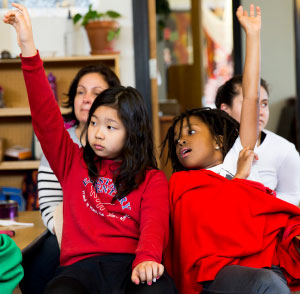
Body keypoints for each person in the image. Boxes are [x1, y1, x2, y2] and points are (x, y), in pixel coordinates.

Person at [4, 3, 176, 294]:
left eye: (110, 127)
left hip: (131, 265)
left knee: (158, 289)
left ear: (131, 133)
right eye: (95, 122)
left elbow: (154, 226)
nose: (97, 133)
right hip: (79, 268)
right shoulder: (71, 159)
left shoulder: (152, 179)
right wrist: (27, 46)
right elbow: (46, 116)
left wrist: (147, 259)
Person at [162, 5, 300, 294]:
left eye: (190, 132)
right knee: (267, 285)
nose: (181, 141)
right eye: (175, 139)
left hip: (263, 253)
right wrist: (238, 179)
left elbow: (249, 97)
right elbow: (206, 230)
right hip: (216, 270)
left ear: (218, 141)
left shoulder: (236, 152)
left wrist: (253, 35)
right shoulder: (181, 183)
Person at [20, 62, 121, 294]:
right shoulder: (59, 142)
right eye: (81, 91)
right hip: (66, 232)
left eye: (96, 93)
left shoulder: (122, 142)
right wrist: (70, 233)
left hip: (112, 235)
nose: (86, 98)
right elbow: (48, 202)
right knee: (35, 264)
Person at [215, 75, 300, 206]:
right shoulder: (211, 149)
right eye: (250, 103)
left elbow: (292, 195)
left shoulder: (284, 149)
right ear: (225, 110)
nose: (260, 111)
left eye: (264, 104)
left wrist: (261, 205)